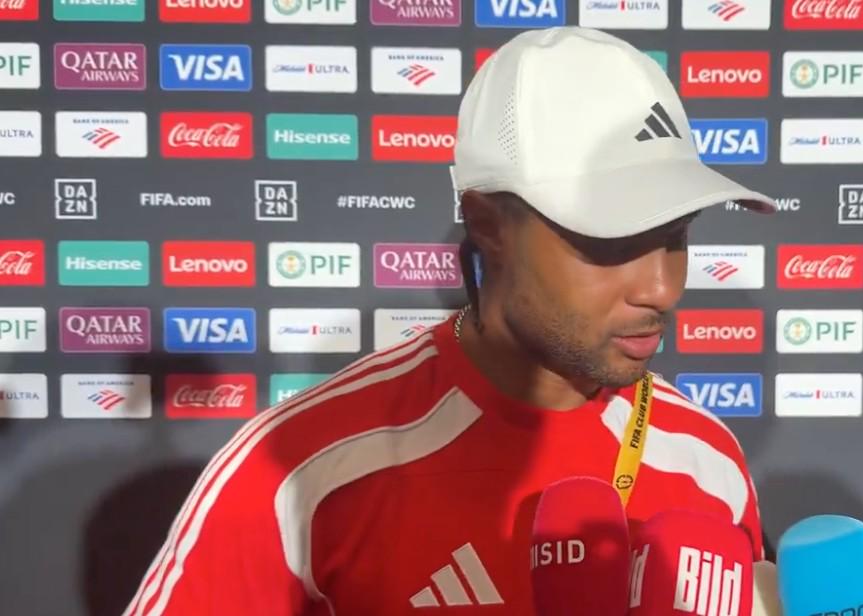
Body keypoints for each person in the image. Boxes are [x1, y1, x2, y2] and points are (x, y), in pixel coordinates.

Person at [122, 26, 776, 615]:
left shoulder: (707, 457)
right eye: (613, 241)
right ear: (488, 224)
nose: (661, 288)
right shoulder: (297, 469)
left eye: (675, 237)